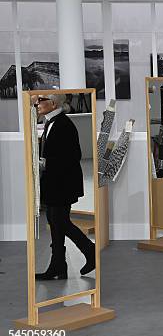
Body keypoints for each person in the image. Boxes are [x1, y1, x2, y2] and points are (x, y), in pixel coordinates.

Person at [35, 94, 96, 280]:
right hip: (55, 183)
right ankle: (58, 266)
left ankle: (89, 251)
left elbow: (73, 155)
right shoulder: (50, 122)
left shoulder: (64, 124)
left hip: (63, 183)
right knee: (55, 222)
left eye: (41, 100)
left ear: (53, 103)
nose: (37, 103)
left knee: (60, 222)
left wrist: (46, 163)